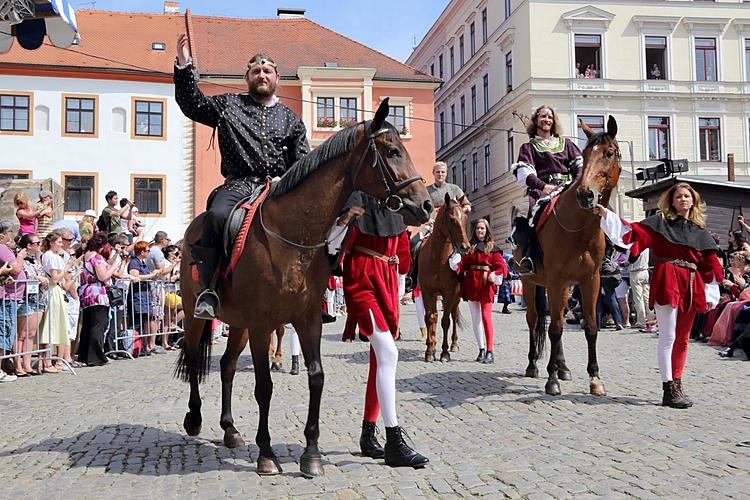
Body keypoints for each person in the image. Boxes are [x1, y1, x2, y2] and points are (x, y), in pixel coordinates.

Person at [174, 33, 310, 319]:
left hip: (278, 188)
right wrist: (185, 64)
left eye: (267, 71)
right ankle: (210, 290)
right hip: (238, 185)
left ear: (277, 78)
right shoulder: (229, 105)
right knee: (216, 216)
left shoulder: (291, 119)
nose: (261, 75)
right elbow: (192, 104)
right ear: (247, 77)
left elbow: (301, 164)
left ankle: (311, 295)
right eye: (256, 71)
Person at [595, 182, 722, 408]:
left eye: (687, 196)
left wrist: (711, 292)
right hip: (668, 278)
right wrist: (607, 215)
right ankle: (668, 388)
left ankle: (677, 383)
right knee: (668, 336)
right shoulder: (660, 223)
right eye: (679, 196)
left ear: (693, 201)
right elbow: (632, 233)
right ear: (672, 201)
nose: (683, 199)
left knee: (683, 339)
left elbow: (710, 265)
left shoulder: (700, 232)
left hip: (692, 284)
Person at [339, 191, 429, 468]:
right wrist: (344, 219)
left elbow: (403, 261)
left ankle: (368, 434)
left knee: (380, 359)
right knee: (389, 354)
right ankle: (394, 441)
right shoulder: (357, 204)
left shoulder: (396, 211)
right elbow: (336, 248)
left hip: (388, 285)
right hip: (362, 280)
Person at [511, 105, 583, 273]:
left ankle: (609, 255)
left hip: (569, 189)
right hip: (542, 190)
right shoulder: (528, 148)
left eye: (550, 117)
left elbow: (580, 166)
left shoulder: (567, 144)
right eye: (543, 116)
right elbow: (525, 173)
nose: (547, 120)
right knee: (522, 211)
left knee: (601, 206)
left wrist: (576, 185)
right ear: (536, 120)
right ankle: (527, 256)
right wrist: (544, 186)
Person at [451, 219, 508, 364]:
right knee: (476, 319)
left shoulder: (492, 247)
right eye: (477, 229)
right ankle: (481, 349)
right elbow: (463, 265)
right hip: (471, 284)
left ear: (487, 230)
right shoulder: (470, 247)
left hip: (485, 284)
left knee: (485, 316)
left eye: (482, 228)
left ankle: (490, 351)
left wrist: (495, 274)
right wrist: (455, 263)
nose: (480, 231)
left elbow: (502, 267)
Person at [79, 231, 127, 366]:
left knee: (88, 325)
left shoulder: (86, 256)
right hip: (97, 294)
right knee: (98, 326)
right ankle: (95, 357)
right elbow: (103, 276)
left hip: (87, 293)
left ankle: (84, 355)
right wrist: (113, 267)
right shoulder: (97, 257)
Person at [39, 231, 76, 374]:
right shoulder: (51, 256)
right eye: (60, 242)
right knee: (50, 325)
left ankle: (46, 361)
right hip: (53, 290)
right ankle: (46, 361)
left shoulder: (52, 256)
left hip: (55, 290)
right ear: (52, 243)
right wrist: (67, 268)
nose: (62, 245)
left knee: (53, 324)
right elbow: (55, 279)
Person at [15, 234, 48, 377]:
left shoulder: (36, 260)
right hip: (25, 298)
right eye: (37, 243)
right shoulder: (20, 258)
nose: (39, 245)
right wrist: (37, 278)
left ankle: (27, 364)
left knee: (31, 333)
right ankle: (17, 364)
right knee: (21, 334)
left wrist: (43, 279)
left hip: (38, 297)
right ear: (28, 245)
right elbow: (21, 275)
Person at [0, 220, 26, 381]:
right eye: (10, 233)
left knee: (6, 331)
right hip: (7, 297)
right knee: (5, 331)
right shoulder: (2, 248)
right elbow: (16, 269)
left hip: (9, 295)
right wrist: (20, 256)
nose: (11, 237)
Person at [128, 241, 163, 355]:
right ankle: (137, 347)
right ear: (142, 252)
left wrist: (154, 275)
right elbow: (135, 276)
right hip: (137, 295)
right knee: (138, 322)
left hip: (145, 294)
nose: (149, 252)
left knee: (145, 321)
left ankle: (143, 346)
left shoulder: (143, 263)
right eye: (147, 250)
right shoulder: (134, 262)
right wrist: (151, 275)